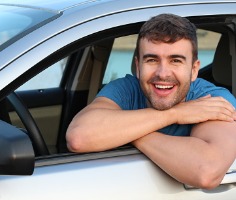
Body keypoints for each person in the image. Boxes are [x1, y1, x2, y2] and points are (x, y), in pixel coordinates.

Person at [66, 13, 236, 189]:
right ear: (138, 67)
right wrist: (176, 114)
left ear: (193, 70)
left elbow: (206, 172)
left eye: (175, 60)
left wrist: (126, 134)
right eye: (152, 60)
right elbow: (79, 137)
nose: (163, 73)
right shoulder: (127, 89)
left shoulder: (213, 101)